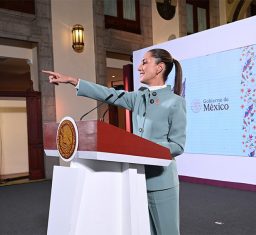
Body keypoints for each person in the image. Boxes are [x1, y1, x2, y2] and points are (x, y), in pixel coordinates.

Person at [43, 48, 186, 235]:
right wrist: (72, 80)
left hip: (161, 182)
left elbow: (178, 145)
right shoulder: (137, 97)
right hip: (136, 179)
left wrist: (145, 147)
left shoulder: (176, 102)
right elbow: (107, 93)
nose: (139, 67)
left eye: (145, 62)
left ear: (159, 68)